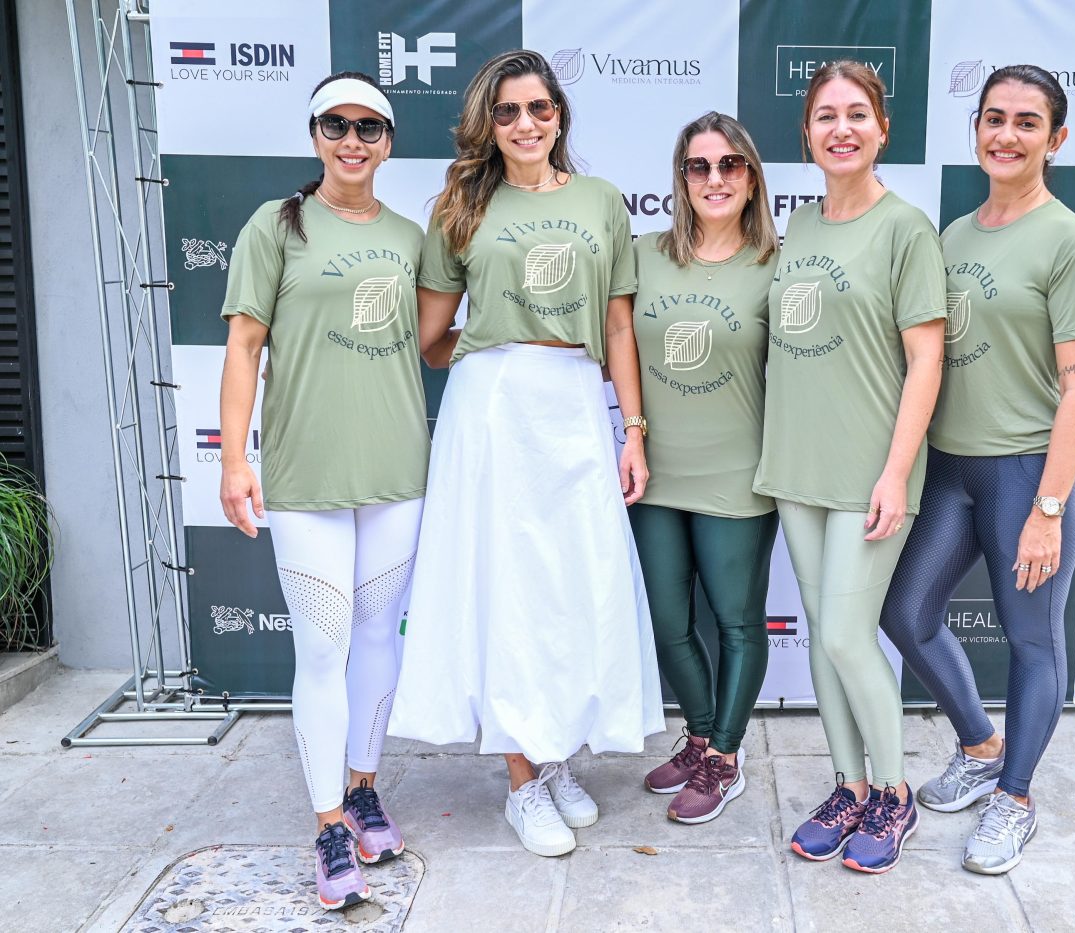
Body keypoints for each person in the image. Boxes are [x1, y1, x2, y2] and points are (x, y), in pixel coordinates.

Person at [386, 49, 663, 858]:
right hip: (497, 409)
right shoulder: (462, 205)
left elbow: (617, 328)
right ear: (488, 124)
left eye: (539, 108)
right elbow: (431, 336)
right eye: (507, 112)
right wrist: (494, 354)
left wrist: (633, 428)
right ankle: (521, 780)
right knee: (507, 590)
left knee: (570, 586)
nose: (525, 124)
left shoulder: (602, 202)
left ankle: (554, 757)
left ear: (559, 117)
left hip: (577, 403)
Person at [879, 64, 1075, 876]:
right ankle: (982, 744)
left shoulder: (1072, 243)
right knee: (906, 613)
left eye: (1024, 122)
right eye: (992, 118)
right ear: (974, 128)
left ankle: (1014, 799)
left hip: (1028, 474)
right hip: (953, 466)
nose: (1004, 135)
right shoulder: (954, 234)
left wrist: (1049, 506)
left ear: (1056, 138)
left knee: (1030, 639)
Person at [218, 71, 427, 910]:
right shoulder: (275, 226)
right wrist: (235, 461)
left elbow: (441, 336)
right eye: (336, 124)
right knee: (322, 648)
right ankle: (330, 821)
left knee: (378, 638)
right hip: (306, 478)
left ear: (388, 141)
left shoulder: (413, 237)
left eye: (369, 127)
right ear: (314, 135)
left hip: (397, 474)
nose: (352, 140)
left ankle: (367, 785)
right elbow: (242, 349)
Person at [755, 61, 947, 874]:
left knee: (844, 631)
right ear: (807, 133)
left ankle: (893, 796)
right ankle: (847, 784)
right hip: (797, 463)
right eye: (826, 115)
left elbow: (927, 358)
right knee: (823, 640)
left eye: (857, 114)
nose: (841, 128)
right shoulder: (798, 226)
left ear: (882, 130)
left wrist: (896, 472)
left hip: (873, 467)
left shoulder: (906, 227)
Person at [630, 112, 780, 824]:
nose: (714, 179)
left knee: (737, 622)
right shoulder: (644, 254)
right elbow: (611, 343)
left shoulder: (779, 266)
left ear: (751, 177)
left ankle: (726, 754)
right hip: (656, 471)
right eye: (699, 166)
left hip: (739, 473)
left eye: (730, 165)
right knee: (667, 619)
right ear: (680, 178)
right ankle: (696, 735)